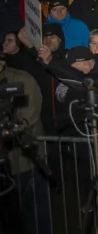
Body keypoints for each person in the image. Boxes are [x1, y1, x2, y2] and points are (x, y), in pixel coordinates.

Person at [0, 52, 49, 234]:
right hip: (5, 166)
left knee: (35, 215)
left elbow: (29, 117)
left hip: (27, 160)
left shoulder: (21, 80)